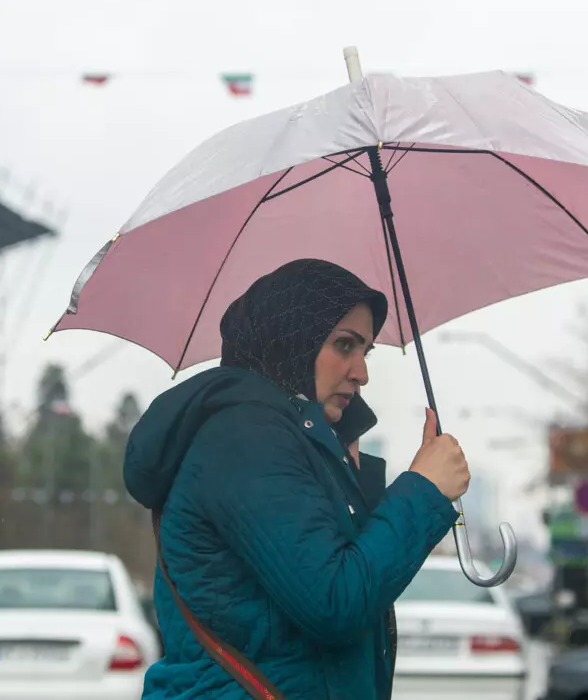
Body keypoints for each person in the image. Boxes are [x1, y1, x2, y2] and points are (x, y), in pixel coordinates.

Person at [123, 258, 471, 700]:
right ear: (291, 341)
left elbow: (348, 578)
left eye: (366, 351)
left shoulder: (290, 439)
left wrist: (345, 463)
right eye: (345, 345)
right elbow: (336, 603)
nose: (362, 372)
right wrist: (423, 489)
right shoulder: (243, 440)